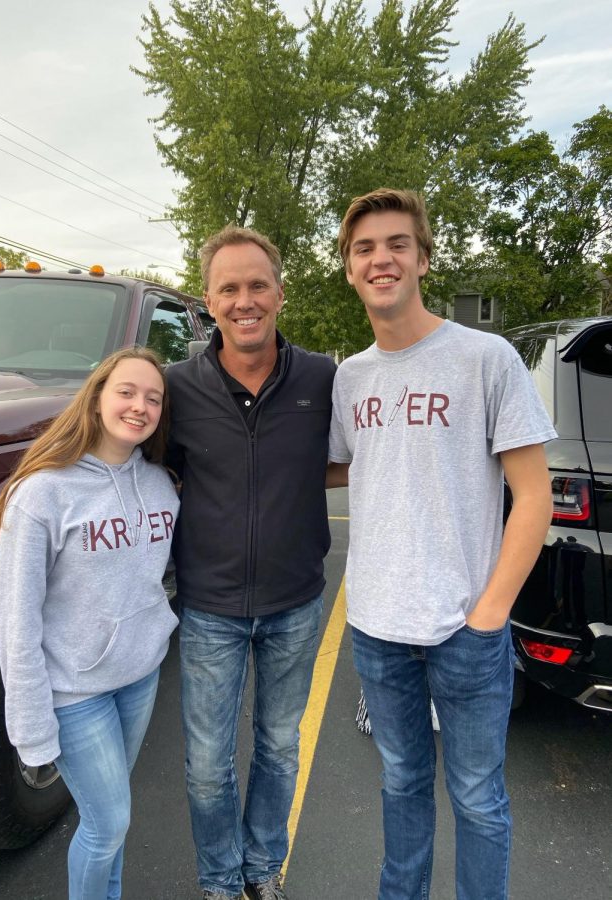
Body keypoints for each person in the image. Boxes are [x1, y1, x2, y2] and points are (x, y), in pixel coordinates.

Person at [327, 188, 556, 900]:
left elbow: (534, 498)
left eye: (396, 244)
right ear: (348, 268)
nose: (380, 258)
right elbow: (338, 467)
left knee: (478, 797)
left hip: (465, 625)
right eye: (363, 248)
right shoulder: (349, 376)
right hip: (375, 626)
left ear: (423, 258)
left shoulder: (483, 359)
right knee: (400, 784)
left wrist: (488, 612)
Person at [165, 225, 335, 900]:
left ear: (279, 294)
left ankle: (262, 872)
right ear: (208, 302)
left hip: (296, 600)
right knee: (207, 765)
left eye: (256, 284)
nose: (244, 300)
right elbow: (136, 470)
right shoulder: (174, 388)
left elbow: (364, 453)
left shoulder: (323, 376)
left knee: (278, 748)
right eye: (228, 288)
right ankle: (218, 879)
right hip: (209, 608)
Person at [0, 347, 180, 900]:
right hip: (75, 691)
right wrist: (30, 725)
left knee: (109, 822)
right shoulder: (43, 493)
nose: (139, 406)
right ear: (96, 398)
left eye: (153, 398)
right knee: (108, 823)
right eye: (126, 391)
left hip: (139, 676)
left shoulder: (162, 486)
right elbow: (14, 619)